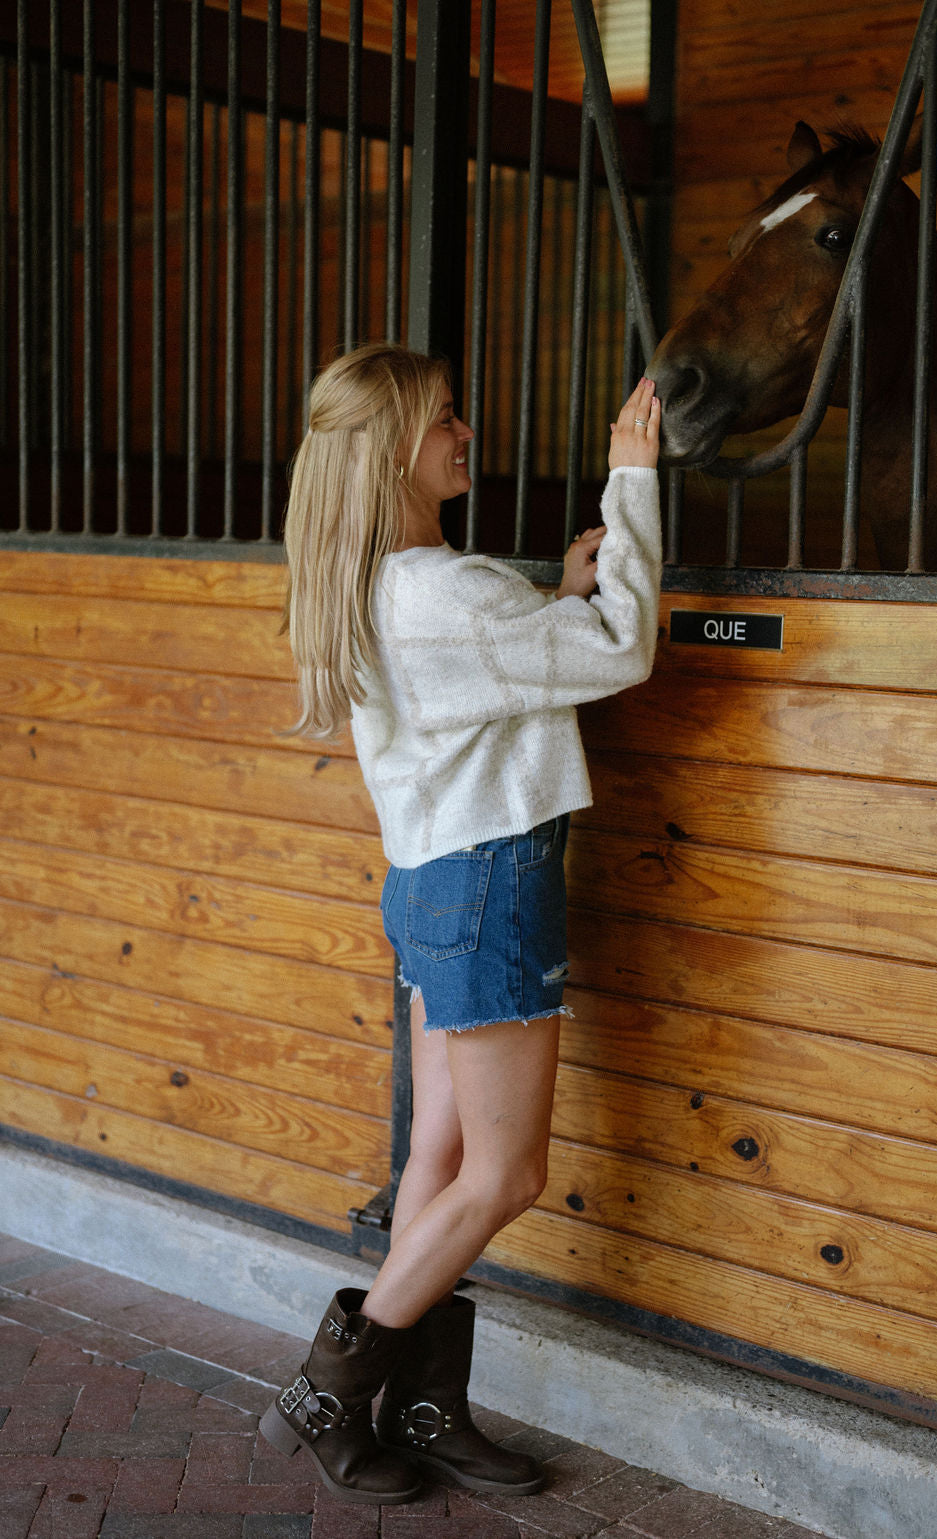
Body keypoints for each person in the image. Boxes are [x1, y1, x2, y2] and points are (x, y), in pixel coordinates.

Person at [260, 343, 662, 1505]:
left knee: (438, 1158)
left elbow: (488, 672)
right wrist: (629, 479)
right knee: (507, 1174)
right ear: (395, 446)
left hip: (433, 885)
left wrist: (556, 598)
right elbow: (623, 655)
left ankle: (424, 1408)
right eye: (444, 417)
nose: (462, 430)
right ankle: (325, 1388)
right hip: (489, 888)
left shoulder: (385, 582)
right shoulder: (443, 591)